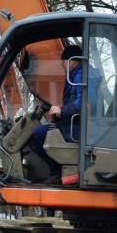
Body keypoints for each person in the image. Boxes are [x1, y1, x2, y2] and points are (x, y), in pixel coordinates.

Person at [30, 43, 101, 175]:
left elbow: (85, 104)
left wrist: (61, 111)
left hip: (79, 129)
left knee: (38, 133)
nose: (62, 65)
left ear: (72, 61)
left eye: (63, 61)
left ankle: (56, 172)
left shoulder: (83, 76)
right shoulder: (77, 76)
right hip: (75, 125)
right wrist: (59, 110)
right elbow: (76, 102)